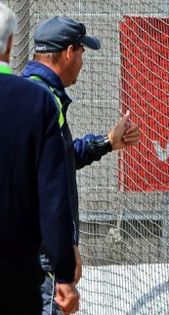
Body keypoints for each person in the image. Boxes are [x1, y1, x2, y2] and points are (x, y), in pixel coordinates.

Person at [21, 15, 141, 315]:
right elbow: (46, 188)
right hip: (41, 255)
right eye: (83, 53)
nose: (83, 63)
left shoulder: (30, 93)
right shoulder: (45, 101)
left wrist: (107, 143)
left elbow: (57, 161)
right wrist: (62, 252)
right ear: (69, 52)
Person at [0, 4, 79, 315]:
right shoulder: (36, 101)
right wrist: (64, 270)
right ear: (10, 43)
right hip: (17, 269)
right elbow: (52, 195)